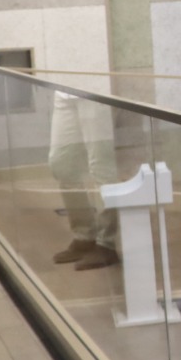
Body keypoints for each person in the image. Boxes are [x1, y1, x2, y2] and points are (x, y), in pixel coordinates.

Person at [48, 91, 122, 270]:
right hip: (64, 90)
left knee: (101, 166)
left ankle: (106, 243)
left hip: (95, 89)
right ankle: (84, 236)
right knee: (61, 164)